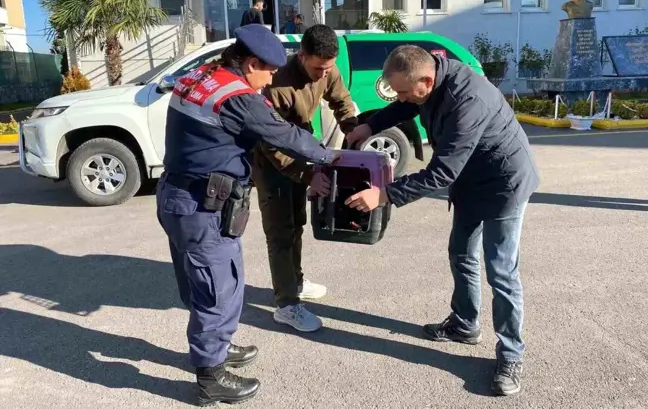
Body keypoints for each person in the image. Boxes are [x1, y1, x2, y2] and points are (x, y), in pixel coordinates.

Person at [156, 24, 338, 407]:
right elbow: (285, 135)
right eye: (269, 70)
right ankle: (211, 379)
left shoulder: (199, 76)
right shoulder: (238, 97)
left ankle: (217, 347)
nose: (272, 77)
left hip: (178, 197)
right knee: (218, 289)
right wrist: (331, 157)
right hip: (202, 206)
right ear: (250, 63)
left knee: (205, 284)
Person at [345, 45, 540, 397]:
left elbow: (442, 173)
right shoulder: (427, 81)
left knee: (501, 270)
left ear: (427, 80)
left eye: (405, 91)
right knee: (461, 253)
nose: (403, 98)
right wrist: (369, 125)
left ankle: (511, 354)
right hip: (470, 181)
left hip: (503, 185)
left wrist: (384, 194)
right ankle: (465, 325)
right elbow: (407, 104)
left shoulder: (469, 101)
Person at [251, 24, 358, 332]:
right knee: (280, 232)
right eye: (317, 68)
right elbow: (272, 143)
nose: (324, 74)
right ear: (301, 56)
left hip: (302, 147)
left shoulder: (328, 69)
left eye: (328, 68)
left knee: (297, 222)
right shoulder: (278, 83)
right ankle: (286, 305)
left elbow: (341, 101)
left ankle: (295, 280)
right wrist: (308, 174)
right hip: (271, 160)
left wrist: (354, 130)